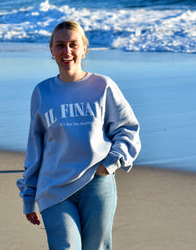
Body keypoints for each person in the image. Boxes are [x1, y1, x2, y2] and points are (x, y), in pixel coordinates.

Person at [17, 21, 141, 250]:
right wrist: (28, 195)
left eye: (73, 44)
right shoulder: (42, 92)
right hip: (53, 187)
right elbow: (35, 148)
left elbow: (127, 129)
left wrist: (110, 164)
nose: (67, 51)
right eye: (60, 45)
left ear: (84, 48)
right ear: (51, 50)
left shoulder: (103, 86)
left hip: (97, 184)